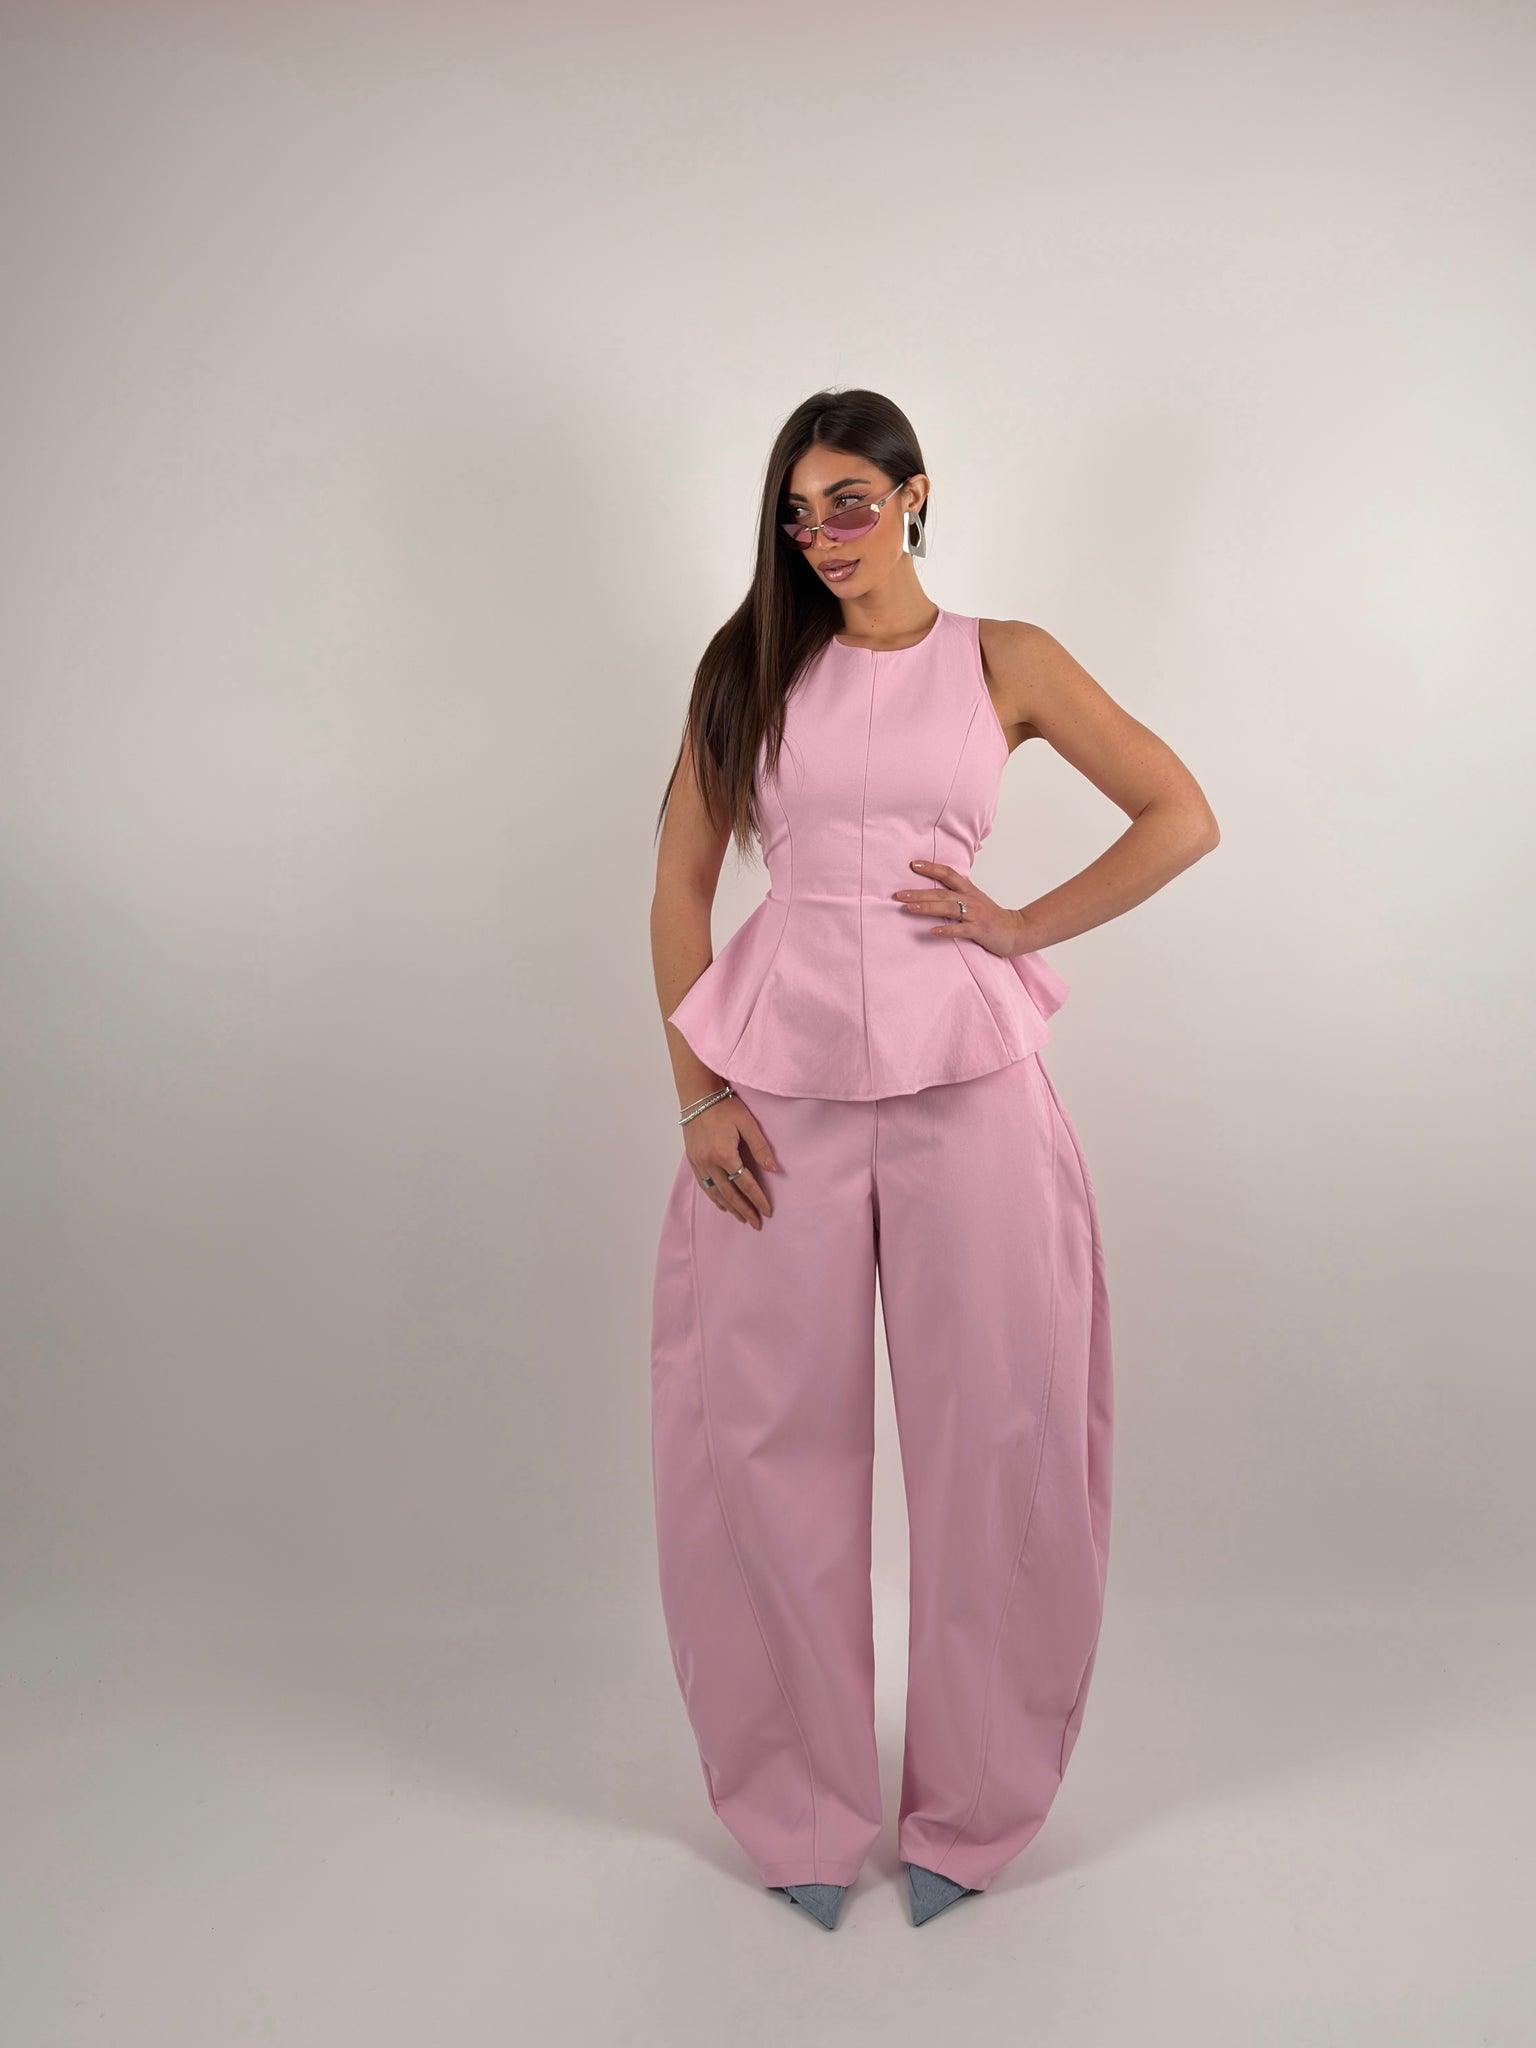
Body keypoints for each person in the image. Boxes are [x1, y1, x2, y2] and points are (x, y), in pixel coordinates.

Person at [648, 388, 1219, 1931]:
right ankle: (798, 1811)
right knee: (763, 1440)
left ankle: (976, 1813)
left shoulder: (1005, 658)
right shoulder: (748, 668)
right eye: (798, 513)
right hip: (779, 1091)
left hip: (973, 1080)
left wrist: (1022, 924)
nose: (822, 535)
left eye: (849, 501)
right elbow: (680, 887)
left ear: (914, 495)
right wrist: (699, 1100)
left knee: (1004, 1430)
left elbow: (1180, 814)